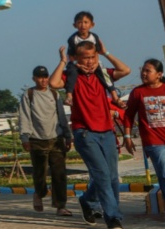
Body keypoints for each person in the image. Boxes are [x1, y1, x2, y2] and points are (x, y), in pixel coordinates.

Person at [49, 40, 131, 229]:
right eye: (85, 58)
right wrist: (63, 61)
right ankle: (113, 217)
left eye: (93, 57)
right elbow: (53, 83)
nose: (90, 61)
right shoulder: (72, 76)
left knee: (111, 176)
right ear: (76, 59)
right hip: (85, 133)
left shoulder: (102, 75)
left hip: (107, 132)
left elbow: (125, 70)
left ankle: (87, 201)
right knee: (102, 174)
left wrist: (105, 52)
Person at [123, 59, 165, 228]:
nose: (144, 74)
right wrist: (127, 137)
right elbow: (129, 115)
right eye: (143, 70)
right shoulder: (137, 92)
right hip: (153, 141)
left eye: (148, 71)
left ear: (159, 74)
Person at [19, 65, 73, 217]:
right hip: (37, 139)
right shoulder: (29, 95)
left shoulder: (55, 95)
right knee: (40, 173)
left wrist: (68, 136)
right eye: (39, 77)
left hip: (56, 139)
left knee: (59, 174)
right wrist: (25, 137)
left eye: (45, 77)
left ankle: (60, 205)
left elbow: (62, 116)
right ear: (34, 78)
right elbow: (24, 116)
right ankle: (39, 193)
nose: (43, 80)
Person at [63, 11, 123, 109]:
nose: (83, 25)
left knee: (104, 74)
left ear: (92, 24)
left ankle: (115, 97)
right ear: (75, 25)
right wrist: (78, 65)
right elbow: (71, 55)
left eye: (86, 22)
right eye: (80, 22)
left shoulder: (94, 37)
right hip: (75, 62)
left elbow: (96, 52)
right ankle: (69, 95)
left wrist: (95, 64)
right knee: (72, 73)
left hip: (93, 61)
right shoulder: (73, 39)